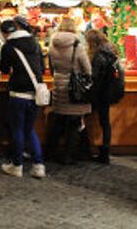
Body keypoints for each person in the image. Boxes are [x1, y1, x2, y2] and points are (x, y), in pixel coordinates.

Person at [0, 19, 46, 178]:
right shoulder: (34, 42)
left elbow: (3, 68)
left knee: (17, 129)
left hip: (18, 93)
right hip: (36, 93)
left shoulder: (8, 47)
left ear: (5, 33)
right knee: (29, 129)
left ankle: (17, 166)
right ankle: (39, 165)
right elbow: (43, 67)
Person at [46, 17, 92, 165]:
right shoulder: (77, 46)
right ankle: (68, 155)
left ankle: (51, 152)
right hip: (74, 88)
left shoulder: (52, 44)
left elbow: (51, 66)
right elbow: (87, 69)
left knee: (59, 120)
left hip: (58, 84)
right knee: (73, 123)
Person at [85, 29, 119, 164]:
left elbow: (93, 76)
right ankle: (105, 151)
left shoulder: (98, 56)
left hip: (97, 93)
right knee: (105, 122)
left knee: (83, 119)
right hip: (108, 92)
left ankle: (85, 148)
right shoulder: (112, 53)